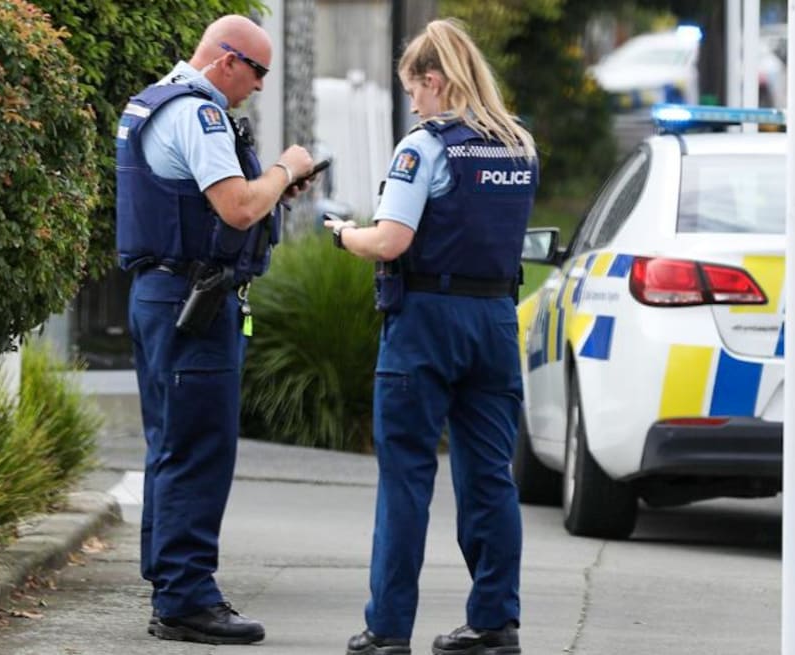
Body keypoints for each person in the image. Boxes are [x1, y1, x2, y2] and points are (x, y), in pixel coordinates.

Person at [324, 18, 538, 655]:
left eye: (414, 89)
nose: (412, 102)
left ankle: (387, 629)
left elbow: (391, 239)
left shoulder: (425, 146)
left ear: (435, 80)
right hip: (496, 322)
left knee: (406, 480)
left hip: (426, 324)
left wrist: (343, 234)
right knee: (490, 479)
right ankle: (495, 623)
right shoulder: (519, 144)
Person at [114, 14, 314, 646]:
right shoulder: (197, 114)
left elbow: (205, 202)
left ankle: (170, 585)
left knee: (171, 444)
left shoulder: (152, 102)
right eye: (257, 72)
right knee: (200, 448)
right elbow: (237, 206)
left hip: (163, 294)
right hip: (192, 300)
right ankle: (187, 597)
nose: (258, 86)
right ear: (227, 60)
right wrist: (285, 169)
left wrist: (269, 190)